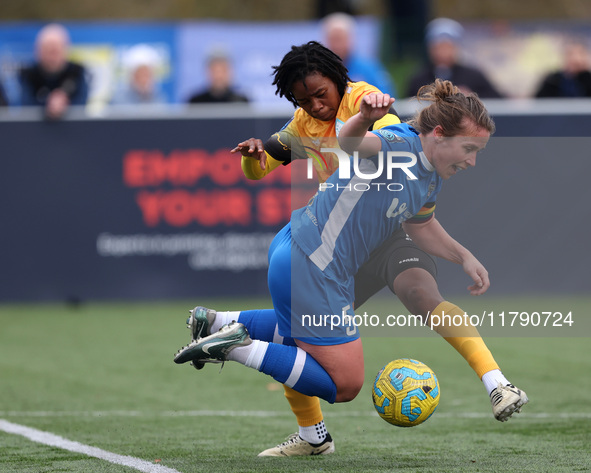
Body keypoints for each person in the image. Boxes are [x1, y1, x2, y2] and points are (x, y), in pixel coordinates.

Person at [177, 43, 527, 457]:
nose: (472, 162)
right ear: (437, 134)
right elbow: (352, 140)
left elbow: (422, 224)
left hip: (303, 249)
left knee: (302, 340)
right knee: (344, 385)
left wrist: (464, 256)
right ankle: (237, 345)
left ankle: (223, 325)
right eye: (469, 150)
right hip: (318, 261)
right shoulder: (398, 142)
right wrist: (365, 116)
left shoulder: (431, 177)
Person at [406, 18, 502, 99]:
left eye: (448, 46)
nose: (443, 52)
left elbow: (499, 102)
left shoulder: (474, 77)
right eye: (438, 47)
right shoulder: (418, 79)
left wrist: (472, 98)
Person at [19, 24, 89, 119]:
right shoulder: (28, 74)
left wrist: (64, 103)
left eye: (56, 51)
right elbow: (25, 105)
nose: (52, 57)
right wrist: (47, 104)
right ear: (38, 51)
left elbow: (82, 104)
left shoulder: (77, 72)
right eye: (48, 51)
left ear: (65, 50)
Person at [322, 12, 397, 96]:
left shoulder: (369, 67)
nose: (336, 45)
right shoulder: (320, 70)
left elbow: (386, 95)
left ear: (350, 39)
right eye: (333, 39)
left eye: (339, 39)